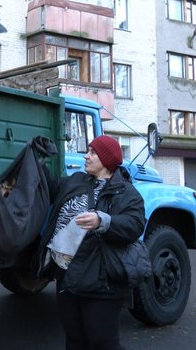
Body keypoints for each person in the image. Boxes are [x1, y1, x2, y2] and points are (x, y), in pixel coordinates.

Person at [35, 135, 145, 350]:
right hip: (67, 274)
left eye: (93, 152)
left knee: (102, 342)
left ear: (106, 159)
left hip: (101, 279)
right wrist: (39, 160)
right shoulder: (77, 180)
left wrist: (102, 221)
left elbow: (135, 224)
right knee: (75, 340)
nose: (86, 155)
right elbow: (50, 188)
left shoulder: (125, 192)